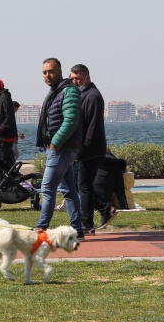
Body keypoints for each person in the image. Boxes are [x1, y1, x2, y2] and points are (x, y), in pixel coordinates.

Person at [35, 58, 83, 238]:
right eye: (44, 72)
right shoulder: (56, 92)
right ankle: (77, 229)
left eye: (51, 71)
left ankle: (41, 228)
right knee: (69, 191)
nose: (47, 75)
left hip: (61, 149)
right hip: (62, 148)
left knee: (47, 189)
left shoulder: (69, 91)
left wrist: (55, 143)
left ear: (60, 71)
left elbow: (71, 121)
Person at [71, 64, 114, 234]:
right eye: (72, 78)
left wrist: (84, 148)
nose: (74, 81)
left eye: (77, 78)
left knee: (83, 186)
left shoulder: (93, 96)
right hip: (83, 149)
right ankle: (104, 210)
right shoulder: (82, 94)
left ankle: (87, 223)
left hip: (90, 149)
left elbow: (93, 126)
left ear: (86, 76)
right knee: (79, 184)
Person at [0, 77, 18, 169]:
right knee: (1, 160)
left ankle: (8, 179)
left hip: (4, 136)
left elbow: (9, 116)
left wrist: (1, 127)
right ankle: (3, 179)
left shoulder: (4, 97)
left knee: (6, 160)